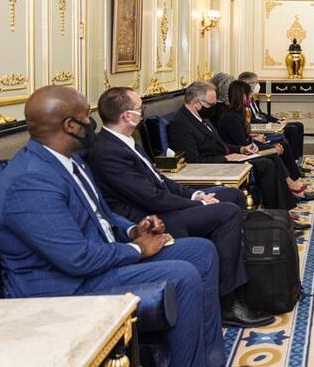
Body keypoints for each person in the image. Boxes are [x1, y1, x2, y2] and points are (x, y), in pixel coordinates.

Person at [0, 86, 224, 367]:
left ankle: (210, 358)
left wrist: (134, 230)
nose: (92, 123)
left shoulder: (70, 161)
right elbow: (76, 258)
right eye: (86, 117)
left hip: (99, 262)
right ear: (71, 126)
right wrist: (137, 249)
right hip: (65, 285)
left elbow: (102, 214)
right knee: (182, 274)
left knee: (200, 251)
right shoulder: (30, 182)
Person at [87, 87, 272, 328]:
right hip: (151, 219)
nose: (143, 112)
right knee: (227, 212)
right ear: (127, 116)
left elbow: (161, 181)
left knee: (232, 195)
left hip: (164, 206)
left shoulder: (128, 143)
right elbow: (150, 198)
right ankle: (227, 302)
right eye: (140, 108)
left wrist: (195, 194)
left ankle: (239, 270)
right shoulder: (108, 152)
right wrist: (197, 202)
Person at [167, 82, 309, 230]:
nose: (214, 108)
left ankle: (282, 214)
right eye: (211, 104)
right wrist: (226, 158)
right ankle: (278, 219)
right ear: (197, 102)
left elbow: (220, 144)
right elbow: (193, 161)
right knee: (265, 164)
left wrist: (242, 149)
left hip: (225, 158)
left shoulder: (202, 118)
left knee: (271, 157)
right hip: (213, 166)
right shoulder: (181, 124)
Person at [218, 80, 314, 203]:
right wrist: (268, 146)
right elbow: (243, 144)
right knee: (274, 153)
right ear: (242, 96)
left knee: (280, 147)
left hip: (247, 148)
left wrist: (256, 139)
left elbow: (243, 138)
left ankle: (291, 184)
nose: (250, 98)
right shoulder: (231, 117)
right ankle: (291, 185)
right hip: (240, 154)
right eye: (248, 95)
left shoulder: (237, 114)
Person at [237, 71, 311, 173]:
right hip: (260, 126)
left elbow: (260, 114)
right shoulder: (243, 100)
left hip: (264, 123)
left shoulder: (251, 97)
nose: (257, 85)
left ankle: (297, 160)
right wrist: (269, 123)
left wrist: (277, 120)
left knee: (299, 125)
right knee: (292, 129)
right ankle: (293, 164)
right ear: (247, 84)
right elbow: (251, 119)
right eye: (255, 82)